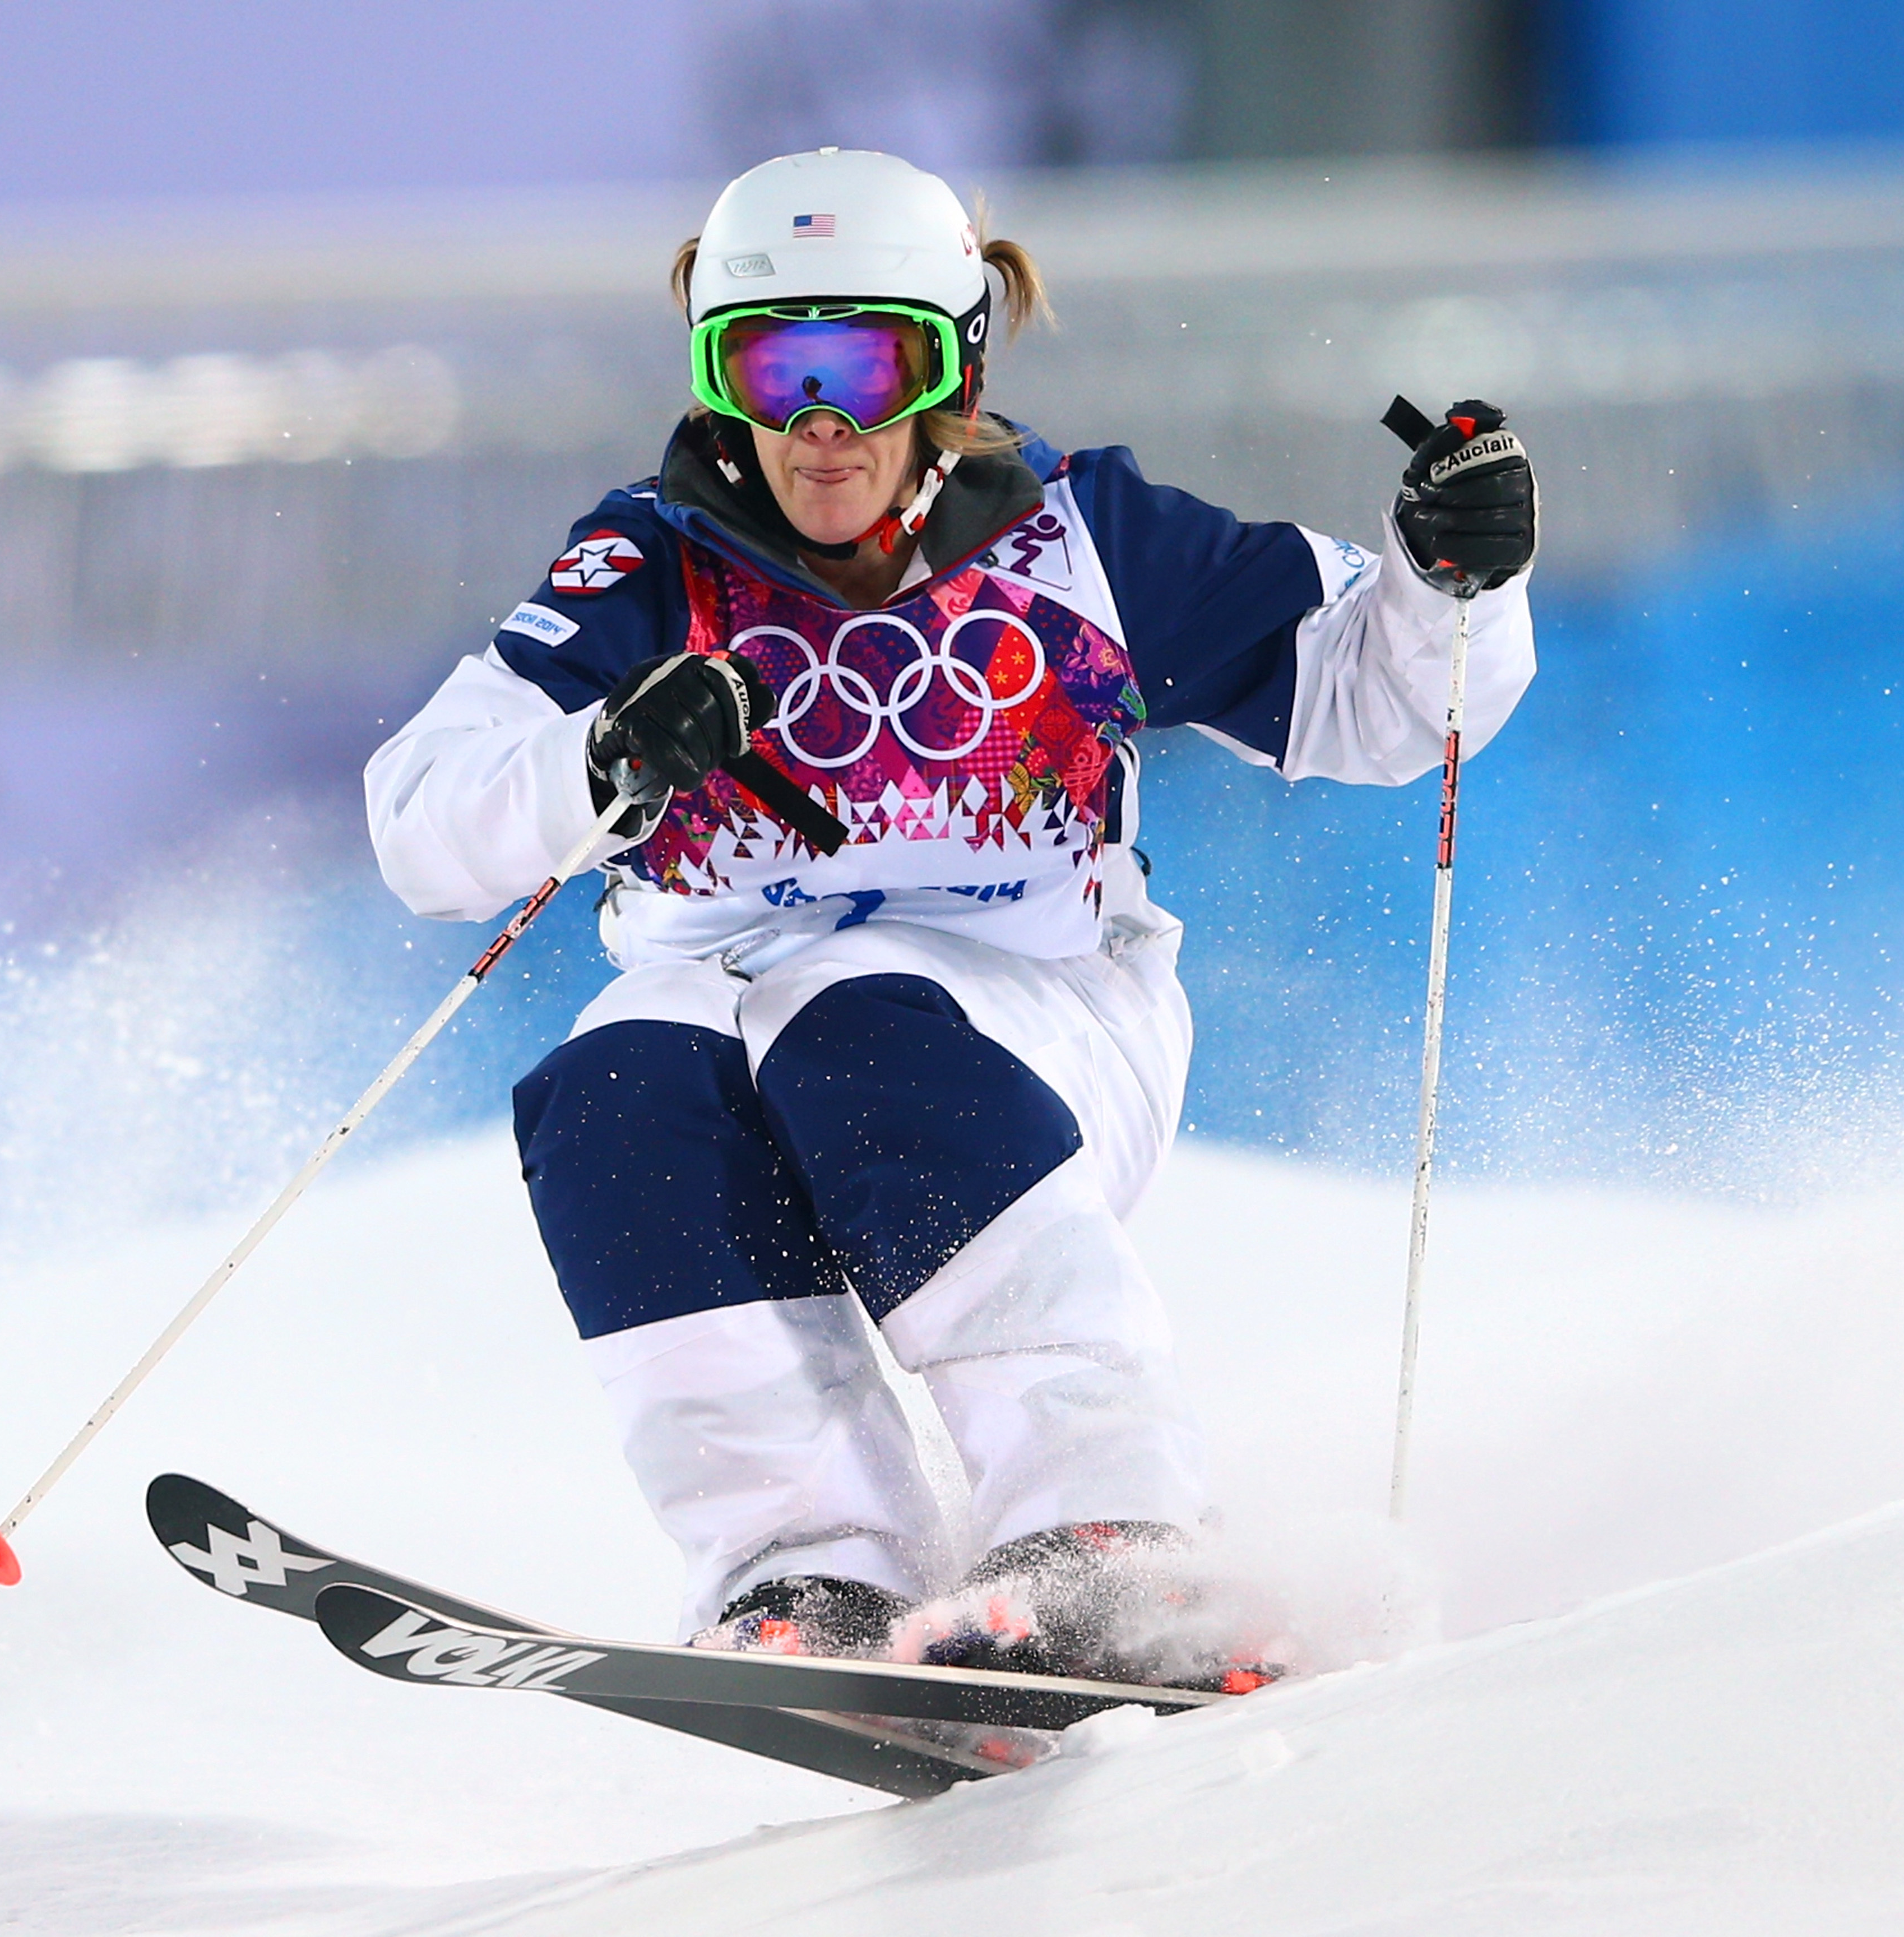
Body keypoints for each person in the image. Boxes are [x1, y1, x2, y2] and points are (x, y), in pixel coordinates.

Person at [364, 148, 1536, 1681]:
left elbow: (1375, 702)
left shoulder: (1075, 540)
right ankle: (810, 1570)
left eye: (872, 363)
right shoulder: (650, 565)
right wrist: (593, 757)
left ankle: (1108, 1523)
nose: (821, 425)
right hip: (726, 1003)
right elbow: (419, 813)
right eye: (770, 368)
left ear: (953, 363)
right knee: (607, 1092)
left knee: (850, 1014)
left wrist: (1456, 579)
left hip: (1033, 1020)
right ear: (716, 377)